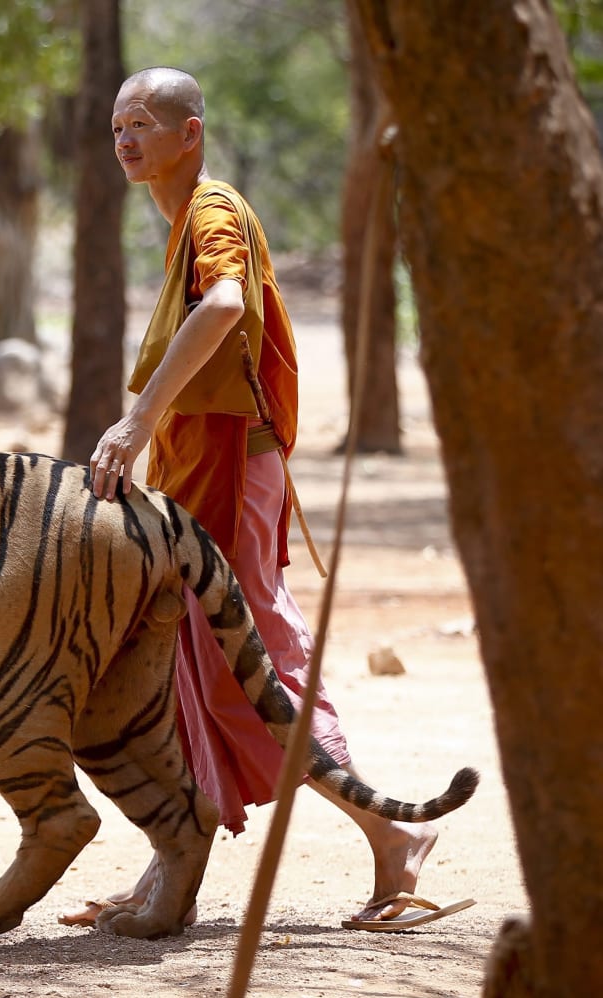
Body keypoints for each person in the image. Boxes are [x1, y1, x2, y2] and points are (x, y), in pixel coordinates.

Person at [63, 66, 466, 932]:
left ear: (190, 132)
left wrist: (138, 418)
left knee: (255, 659)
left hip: (226, 466)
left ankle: (392, 835)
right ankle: (170, 859)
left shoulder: (211, 213)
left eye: (142, 122)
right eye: (116, 127)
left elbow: (226, 303)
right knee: (192, 662)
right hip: (204, 467)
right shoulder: (183, 220)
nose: (127, 139)